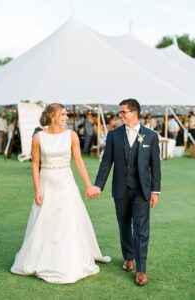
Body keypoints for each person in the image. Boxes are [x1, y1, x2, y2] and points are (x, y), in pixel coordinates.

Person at [11, 103, 110, 284]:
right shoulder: (38, 138)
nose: (66, 117)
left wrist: (88, 185)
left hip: (66, 183)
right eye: (62, 114)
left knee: (68, 220)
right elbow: (35, 165)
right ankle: (42, 257)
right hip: (47, 183)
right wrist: (37, 189)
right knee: (45, 221)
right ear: (52, 116)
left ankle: (69, 259)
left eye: (66, 114)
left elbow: (79, 161)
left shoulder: (71, 136)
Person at [88, 99, 161, 286]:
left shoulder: (151, 136)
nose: (120, 116)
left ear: (134, 113)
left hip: (142, 191)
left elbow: (155, 166)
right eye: (120, 112)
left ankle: (141, 269)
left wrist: (155, 191)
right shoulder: (113, 136)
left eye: (123, 112)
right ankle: (128, 257)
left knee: (141, 229)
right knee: (124, 226)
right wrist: (98, 185)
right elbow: (106, 163)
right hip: (120, 189)